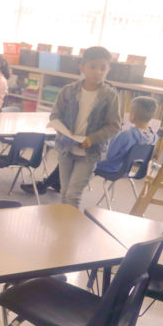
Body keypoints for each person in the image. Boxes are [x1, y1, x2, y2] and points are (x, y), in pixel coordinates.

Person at [24, 95, 156, 196]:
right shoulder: (153, 135)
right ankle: (58, 183)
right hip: (124, 168)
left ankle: (44, 186)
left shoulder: (127, 135)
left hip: (110, 166)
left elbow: (108, 154)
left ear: (132, 116)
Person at [46, 46, 122, 208]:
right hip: (66, 148)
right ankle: (63, 227)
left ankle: (69, 231)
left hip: (89, 153)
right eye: (93, 67)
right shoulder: (69, 91)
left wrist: (92, 139)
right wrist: (64, 130)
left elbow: (114, 126)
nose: (98, 72)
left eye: (103, 68)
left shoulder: (109, 95)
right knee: (65, 191)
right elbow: (55, 115)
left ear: (109, 69)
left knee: (73, 195)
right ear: (82, 68)